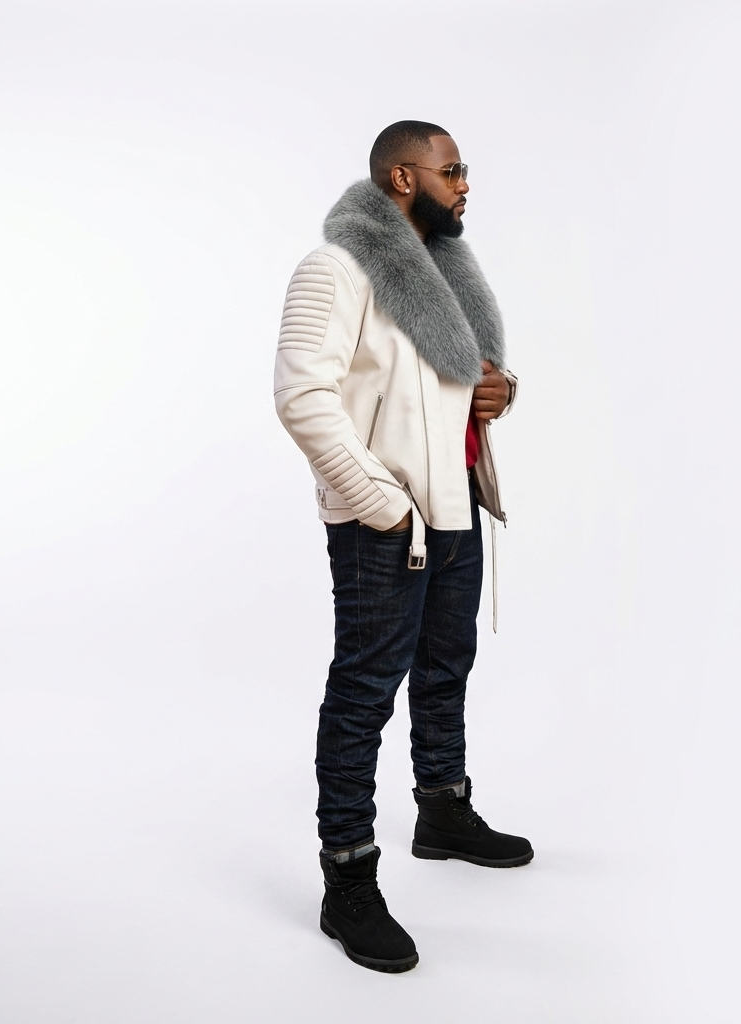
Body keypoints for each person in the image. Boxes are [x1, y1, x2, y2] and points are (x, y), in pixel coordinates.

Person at [273, 120, 532, 974]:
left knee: (447, 667)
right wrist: (381, 505)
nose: (465, 184)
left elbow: (453, 386)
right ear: (401, 179)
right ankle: (348, 881)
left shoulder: (444, 269)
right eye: (451, 170)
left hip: (455, 509)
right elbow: (301, 396)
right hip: (386, 526)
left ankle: (443, 811)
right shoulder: (336, 270)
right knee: (363, 694)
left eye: (465, 170)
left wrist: (501, 389)